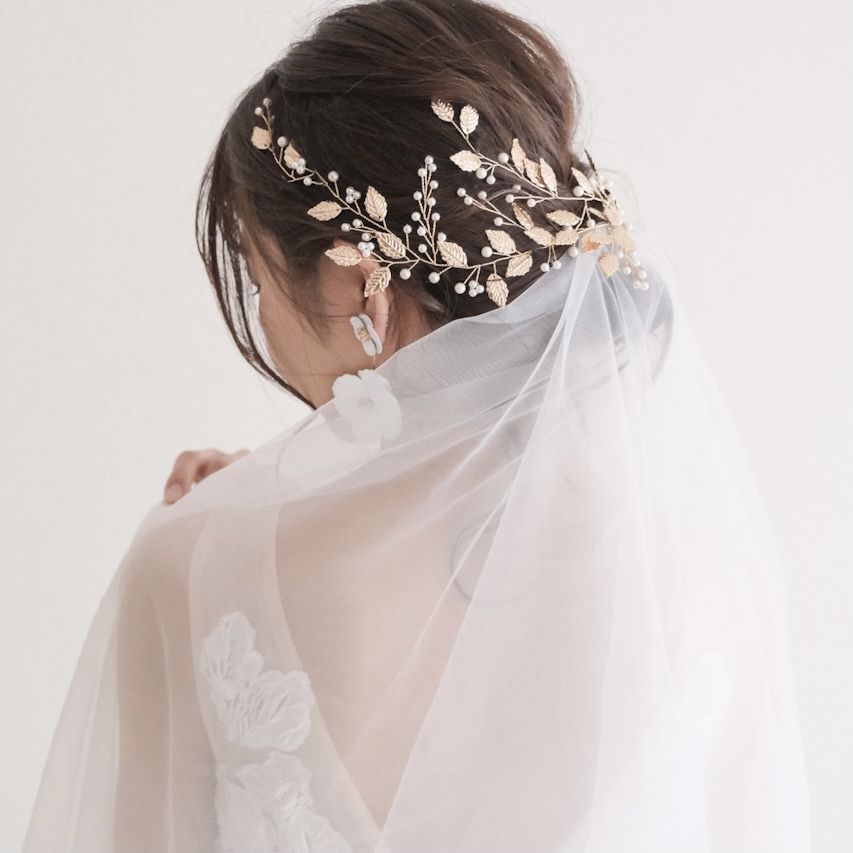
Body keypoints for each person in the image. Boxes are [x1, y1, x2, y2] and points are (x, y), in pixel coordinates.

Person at [22, 1, 812, 851]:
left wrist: (231, 535)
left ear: (356, 284)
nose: (262, 317)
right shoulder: (694, 577)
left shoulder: (195, 572)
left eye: (255, 276)